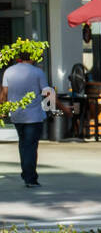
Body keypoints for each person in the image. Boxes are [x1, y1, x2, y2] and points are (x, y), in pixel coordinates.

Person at [0, 47, 69, 188]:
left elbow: (4, 94)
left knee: (23, 144)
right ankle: (30, 178)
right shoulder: (37, 72)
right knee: (31, 146)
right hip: (34, 116)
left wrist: (3, 110)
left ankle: (26, 173)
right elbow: (48, 93)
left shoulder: (9, 71)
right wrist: (63, 109)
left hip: (17, 115)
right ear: (32, 57)